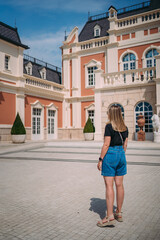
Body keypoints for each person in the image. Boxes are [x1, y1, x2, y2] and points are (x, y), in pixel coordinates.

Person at [97, 105, 128, 227]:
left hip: (110, 155)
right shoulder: (125, 127)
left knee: (109, 186)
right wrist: (120, 155)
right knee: (119, 185)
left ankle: (109, 216)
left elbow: (106, 144)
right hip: (121, 155)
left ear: (111, 114)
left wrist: (100, 159)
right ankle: (118, 212)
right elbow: (125, 145)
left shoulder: (109, 126)